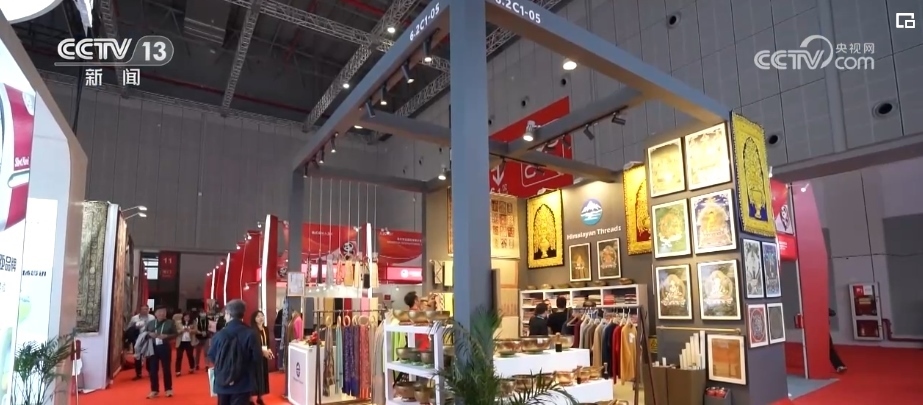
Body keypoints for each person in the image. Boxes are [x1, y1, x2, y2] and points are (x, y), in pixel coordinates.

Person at [207, 300, 263, 405]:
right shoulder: (251, 333)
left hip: (223, 381)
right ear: (243, 313)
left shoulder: (219, 335)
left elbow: (211, 355)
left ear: (228, 314)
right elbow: (257, 357)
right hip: (243, 382)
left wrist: (225, 365)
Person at [144, 306, 177, 398]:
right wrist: (150, 334)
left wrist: (166, 336)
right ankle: (154, 390)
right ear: (155, 313)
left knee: (166, 368)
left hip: (164, 347)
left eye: (164, 311)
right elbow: (144, 334)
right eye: (160, 311)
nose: (162, 313)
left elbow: (175, 334)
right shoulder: (151, 323)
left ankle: (168, 389)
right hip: (152, 348)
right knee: (153, 370)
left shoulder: (170, 323)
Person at [249, 310, 274, 404]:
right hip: (254, 357)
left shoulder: (265, 329)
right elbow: (252, 345)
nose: (260, 318)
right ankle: (251, 398)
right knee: (254, 377)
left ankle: (260, 396)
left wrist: (269, 350)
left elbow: (267, 343)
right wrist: (262, 351)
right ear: (254, 319)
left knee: (263, 376)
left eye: (262, 316)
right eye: (258, 316)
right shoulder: (252, 331)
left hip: (264, 356)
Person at [126, 304, 152, 380]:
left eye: (146, 309)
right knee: (137, 357)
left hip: (148, 338)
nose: (144, 311)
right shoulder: (134, 318)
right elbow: (129, 328)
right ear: (140, 310)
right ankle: (138, 373)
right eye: (143, 309)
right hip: (137, 339)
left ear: (148, 310)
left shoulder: (152, 318)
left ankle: (150, 371)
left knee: (149, 356)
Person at [175, 311, 198, 375]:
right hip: (180, 341)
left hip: (189, 341)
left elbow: (196, 330)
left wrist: (190, 330)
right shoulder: (178, 323)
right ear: (183, 317)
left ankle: (192, 367)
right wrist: (181, 330)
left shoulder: (193, 322)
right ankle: (178, 371)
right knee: (179, 356)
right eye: (185, 317)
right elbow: (175, 331)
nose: (187, 318)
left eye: (188, 317)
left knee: (190, 355)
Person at [829, 308, 847, 373]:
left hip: (823, 331)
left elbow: (833, 313)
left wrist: (826, 311)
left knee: (830, 349)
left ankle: (839, 366)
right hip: (812, 332)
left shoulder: (821, 307)